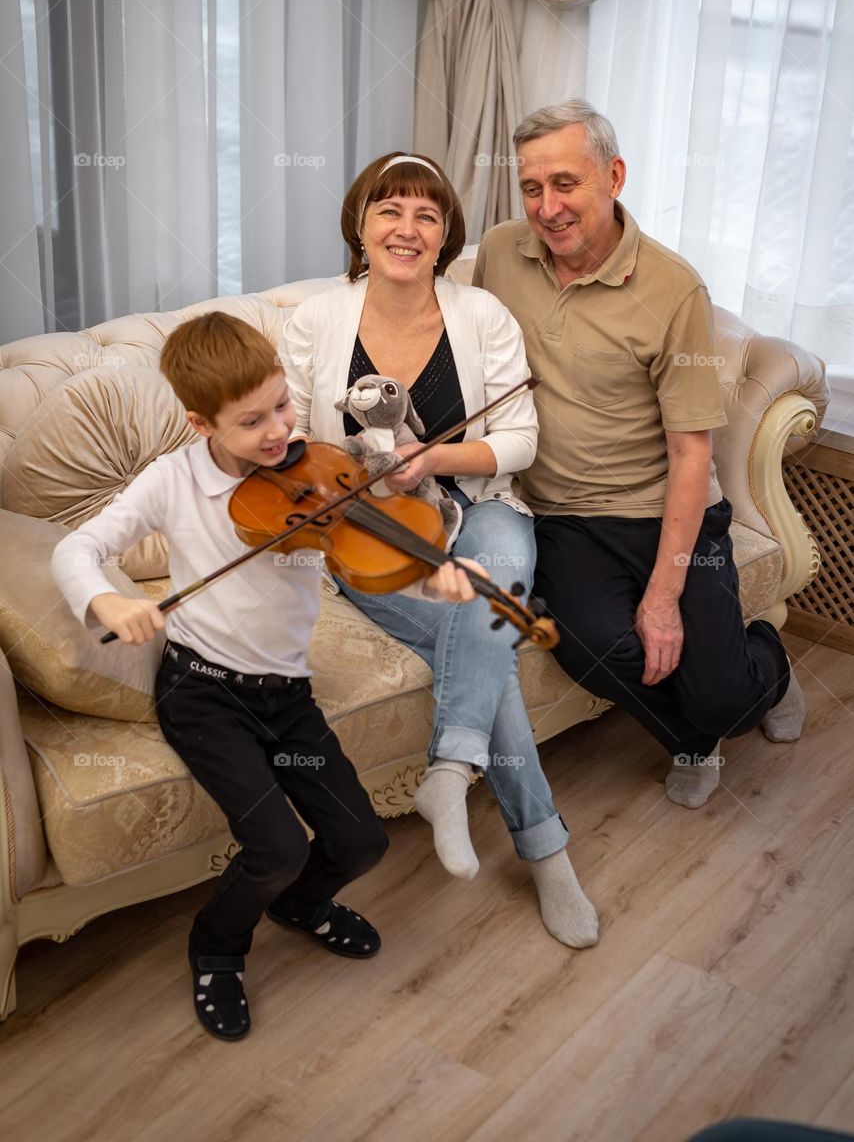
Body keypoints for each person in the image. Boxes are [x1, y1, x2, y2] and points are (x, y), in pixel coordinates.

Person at [50, 312, 479, 1042]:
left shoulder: (315, 470)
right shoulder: (172, 482)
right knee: (276, 846)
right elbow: (76, 551)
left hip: (286, 697)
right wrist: (110, 598)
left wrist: (434, 577)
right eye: (252, 422)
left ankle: (301, 905)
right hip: (205, 695)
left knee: (362, 842)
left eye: (281, 405)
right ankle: (217, 947)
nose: (280, 430)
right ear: (200, 422)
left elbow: (362, 557)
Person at [281, 151, 599, 950]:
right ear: (360, 225)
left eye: (427, 215)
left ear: (444, 236)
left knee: (490, 585)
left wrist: (433, 461)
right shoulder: (314, 320)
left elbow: (520, 439)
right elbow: (286, 442)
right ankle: (545, 848)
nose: (407, 228)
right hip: (370, 530)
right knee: (489, 632)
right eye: (389, 210)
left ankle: (451, 776)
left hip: (481, 505)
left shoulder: (481, 314)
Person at [473, 100, 805, 810]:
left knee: (722, 696)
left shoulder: (673, 288)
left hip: (671, 512)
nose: (548, 207)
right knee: (589, 649)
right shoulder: (501, 253)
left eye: (567, 184)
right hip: (561, 514)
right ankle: (692, 736)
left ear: (613, 175)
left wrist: (663, 596)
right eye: (532, 188)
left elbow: (691, 456)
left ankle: (768, 663)